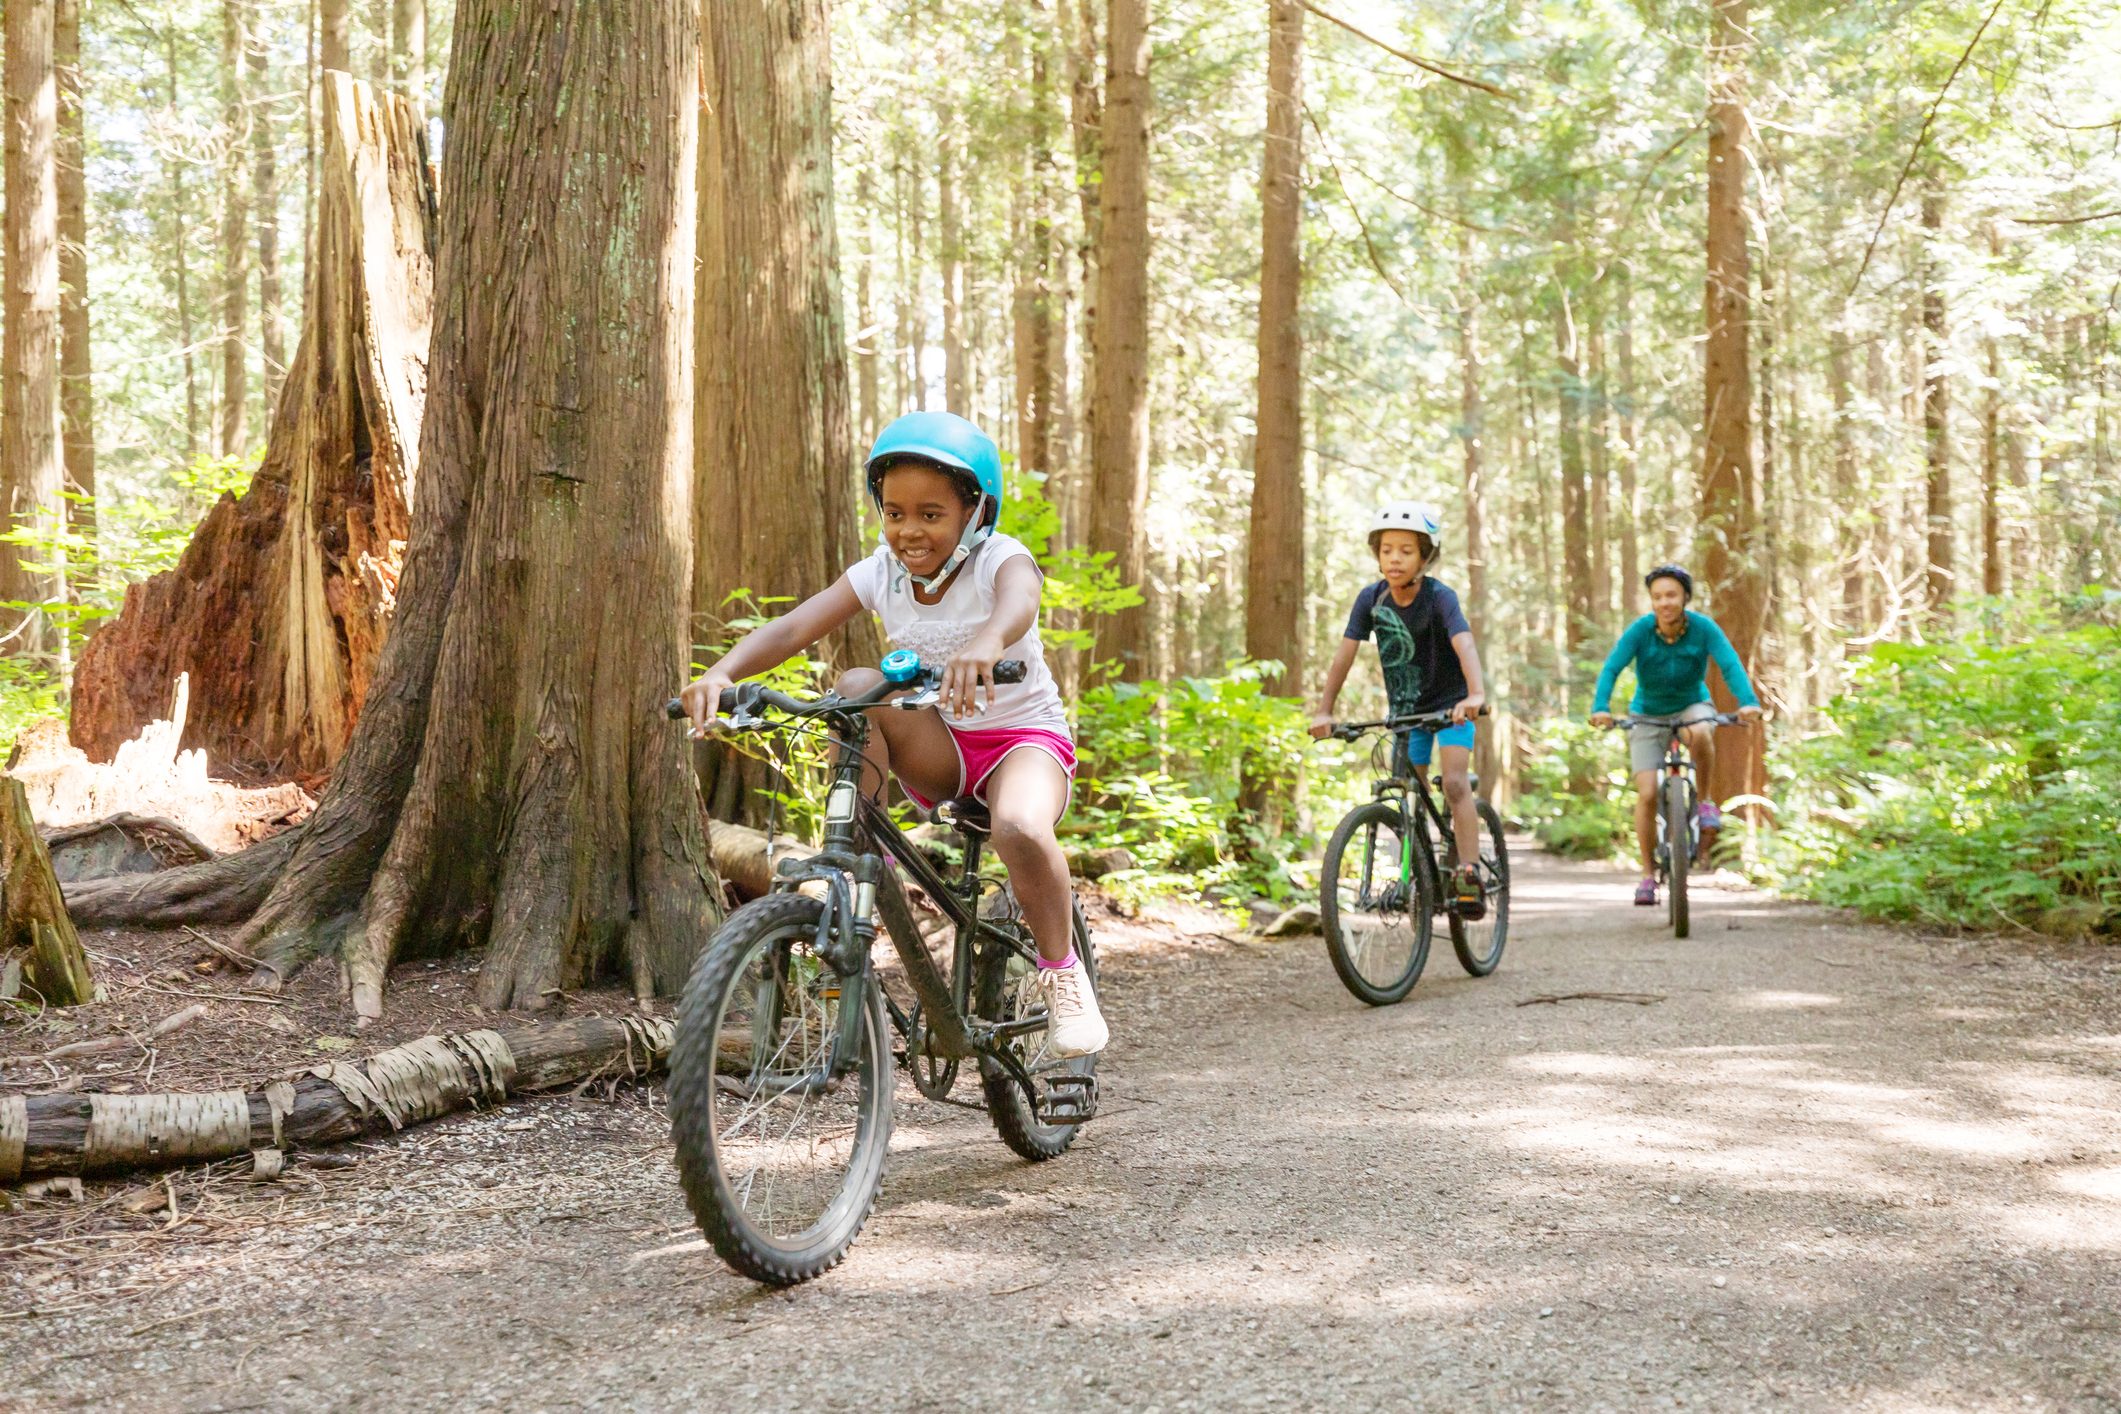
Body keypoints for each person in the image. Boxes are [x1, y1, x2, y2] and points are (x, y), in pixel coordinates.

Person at [677, 411, 1106, 1057]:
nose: (909, 529)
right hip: (942, 746)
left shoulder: (998, 559)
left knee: (1017, 827)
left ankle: (1061, 974)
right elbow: (792, 629)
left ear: (973, 512)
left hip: (1022, 742)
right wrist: (720, 673)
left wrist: (987, 640)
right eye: (894, 511)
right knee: (854, 688)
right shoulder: (879, 571)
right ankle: (860, 873)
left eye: (931, 514)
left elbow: (1021, 601)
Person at [1309, 501, 1490, 915]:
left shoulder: (1440, 597)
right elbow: (1344, 655)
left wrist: (1474, 695)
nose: (1395, 557)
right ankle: (1417, 873)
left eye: (1406, 550)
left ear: (1425, 556)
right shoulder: (1371, 600)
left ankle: (1468, 870)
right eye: (1387, 548)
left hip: (1450, 710)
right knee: (1408, 791)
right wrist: (1324, 710)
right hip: (1406, 713)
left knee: (1456, 784)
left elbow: (1464, 643)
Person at [1589, 564, 1764, 906]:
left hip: (1691, 705)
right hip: (1647, 713)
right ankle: (1646, 875)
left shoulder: (1703, 628)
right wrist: (1601, 707)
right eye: (1657, 597)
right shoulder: (1641, 631)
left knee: (1701, 731)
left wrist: (1747, 702)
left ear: (1685, 597)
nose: (1664, 603)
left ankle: (1706, 802)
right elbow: (1612, 667)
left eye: (1671, 595)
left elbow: (1728, 663)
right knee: (1647, 793)